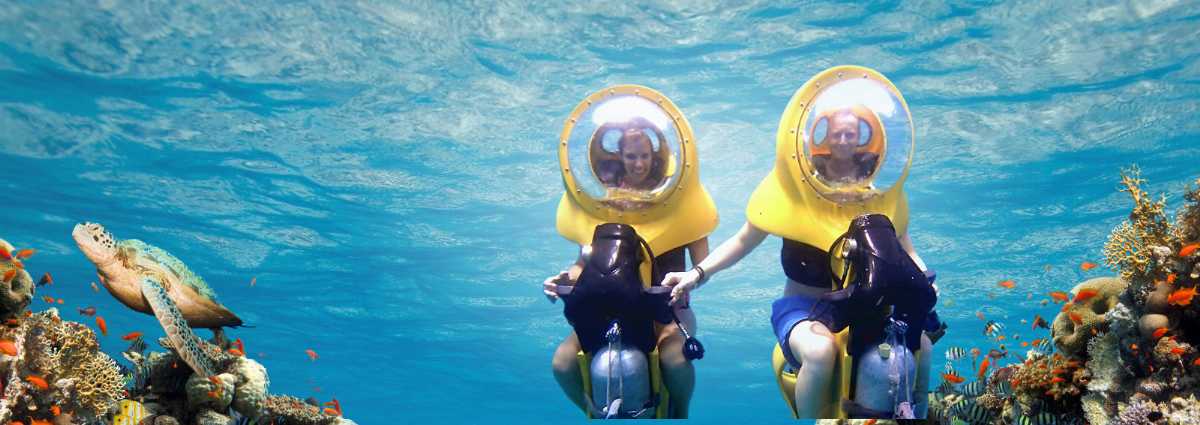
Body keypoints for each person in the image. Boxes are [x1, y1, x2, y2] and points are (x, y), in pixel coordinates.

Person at [661, 66, 936, 419]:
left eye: (851, 133)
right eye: (836, 133)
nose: (843, 140)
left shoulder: (880, 194)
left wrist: (926, 277)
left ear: (865, 137)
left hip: (864, 305)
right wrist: (696, 274)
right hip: (803, 307)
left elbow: (906, 248)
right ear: (819, 137)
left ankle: (922, 413)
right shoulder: (790, 191)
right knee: (820, 353)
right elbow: (743, 241)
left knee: (922, 347)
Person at [546, 86, 718, 418]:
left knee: (674, 358)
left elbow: (703, 266)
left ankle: (679, 412)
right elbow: (583, 262)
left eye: (644, 156)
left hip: (667, 311)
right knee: (562, 363)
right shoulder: (601, 204)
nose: (638, 164)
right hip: (611, 311)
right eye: (630, 156)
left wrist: (689, 281)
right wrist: (561, 280)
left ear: (656, 156)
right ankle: (593, 412)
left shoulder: (683, 203)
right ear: (618, 158)